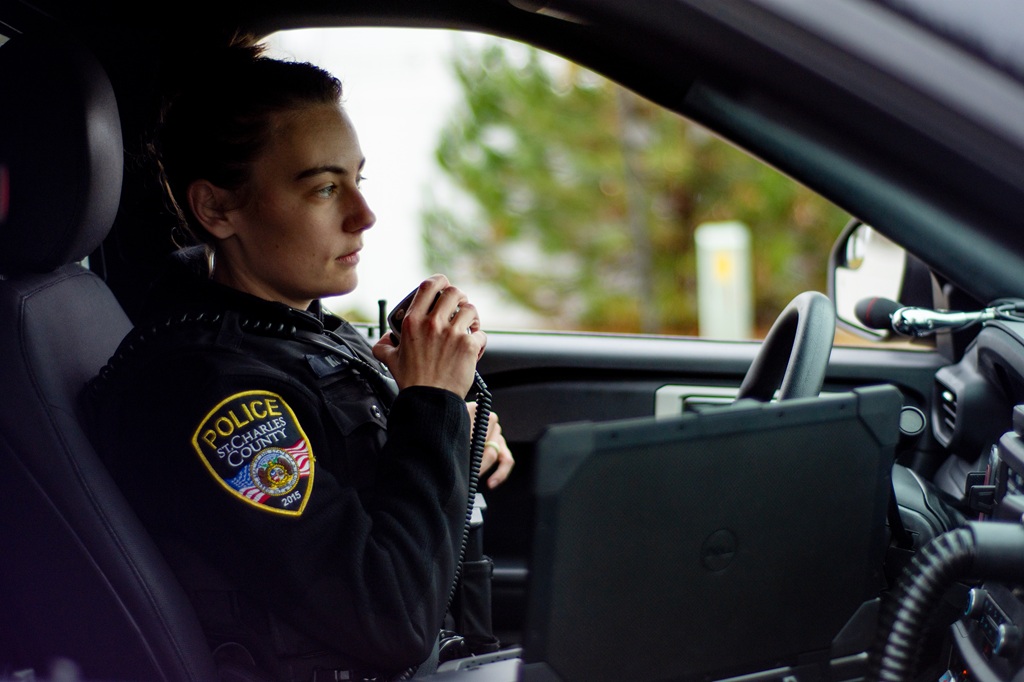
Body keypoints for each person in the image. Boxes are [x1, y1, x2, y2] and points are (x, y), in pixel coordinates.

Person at [87, 35, 513, 681]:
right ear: (217, 207)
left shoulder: (297, 332)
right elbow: (390, 618)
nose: (363, 215)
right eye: (322, 189)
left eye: (358, 179)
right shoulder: (212, 394)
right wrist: (434, 408)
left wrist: (455, 431)